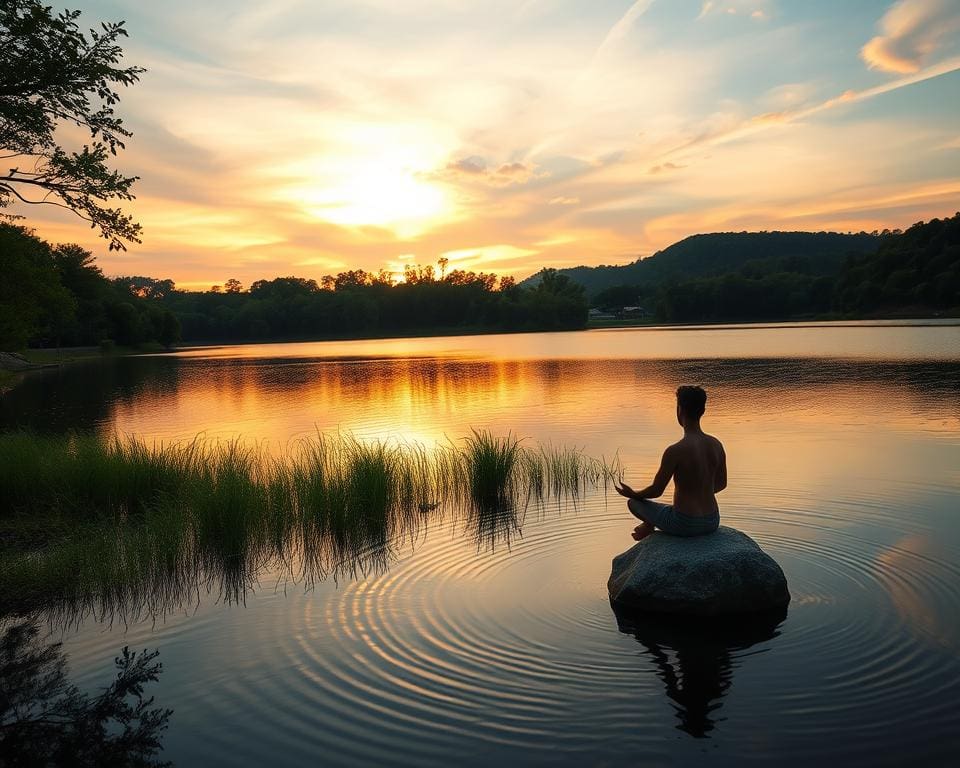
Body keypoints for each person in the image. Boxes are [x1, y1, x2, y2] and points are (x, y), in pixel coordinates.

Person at [614, 385, 726, 541]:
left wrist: (634, 493)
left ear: (679, 410)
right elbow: (722, 484)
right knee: (666, 509)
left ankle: (648, 525)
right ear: (703, 411)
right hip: (712, 520)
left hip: (685, 524)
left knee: (634, 503)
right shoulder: (716, 445)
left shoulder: (675, 451)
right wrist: (700, 492)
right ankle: (648, 525)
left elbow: (656, 490)